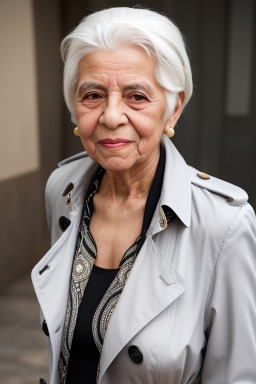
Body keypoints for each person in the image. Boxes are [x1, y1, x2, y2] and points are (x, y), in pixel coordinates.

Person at [32, 7, 256, 384]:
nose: (111, 116)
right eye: (93, 95)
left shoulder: (224, 224)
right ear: (75, 106)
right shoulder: (63, 190)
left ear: (173, 109)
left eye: (136, 95)